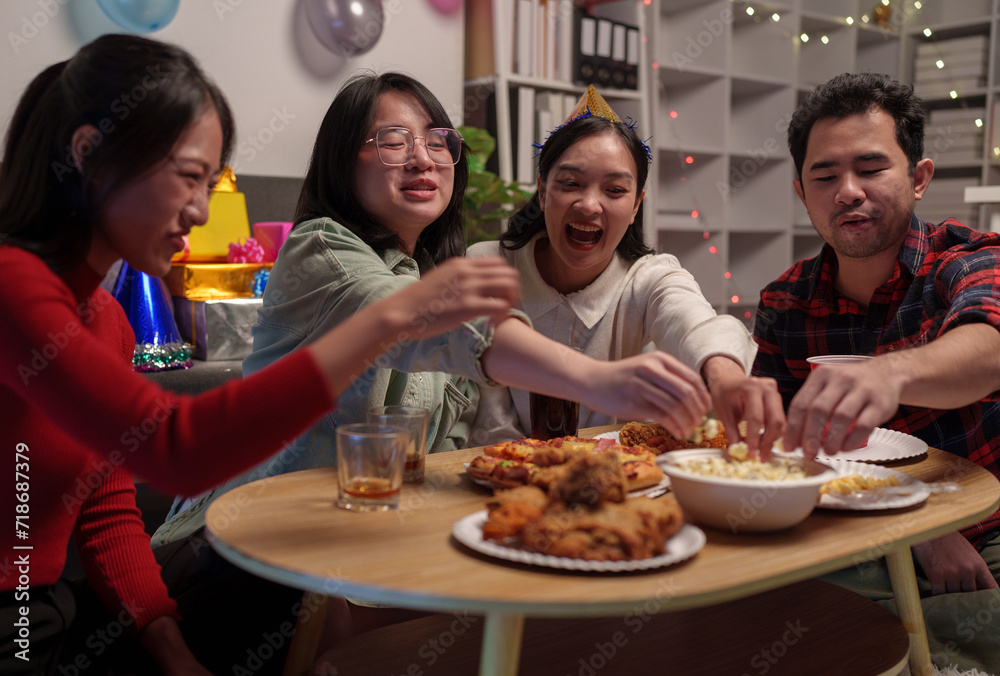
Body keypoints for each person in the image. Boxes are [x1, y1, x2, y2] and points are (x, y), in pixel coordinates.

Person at [150, 71, 726, 666]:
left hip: (361, 559)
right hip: (261, 557)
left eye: (436, 140)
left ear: (637, 205)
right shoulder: (321, 250)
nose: (423, 158)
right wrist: (598, 378)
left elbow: (451, 444)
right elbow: (426, 327)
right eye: (393, 141)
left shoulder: (433, 269)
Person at [0, 36, 522, 676]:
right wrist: (389, 319)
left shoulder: (106, 320)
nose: (200, 210)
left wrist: (173, 654)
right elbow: (178, 449)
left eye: (209, 181)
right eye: (190, 177)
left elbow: (106, 508)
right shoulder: (12, 285)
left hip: (38, 614)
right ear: (89, 155)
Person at [752, 71, 1000, 673]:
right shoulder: (785, 301)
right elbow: (779, 452)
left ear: (918, 178)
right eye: (825, 176)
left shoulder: (968, 258)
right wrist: (915, 531)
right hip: (849, 529)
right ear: (801, 192)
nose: (848, 191)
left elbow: (988, 350)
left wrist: (888, 375)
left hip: (983, 529)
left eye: (871, 168)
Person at [468, 92, 785, 452]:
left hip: (616, 479)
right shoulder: (486, 268)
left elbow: (697, 324)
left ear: (636, 206)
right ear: (542, 191)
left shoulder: (647, 278)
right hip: (495, 479)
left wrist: (725, 373)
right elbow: (486, 420)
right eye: (570, 183)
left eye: (614, 190)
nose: (589, 204)